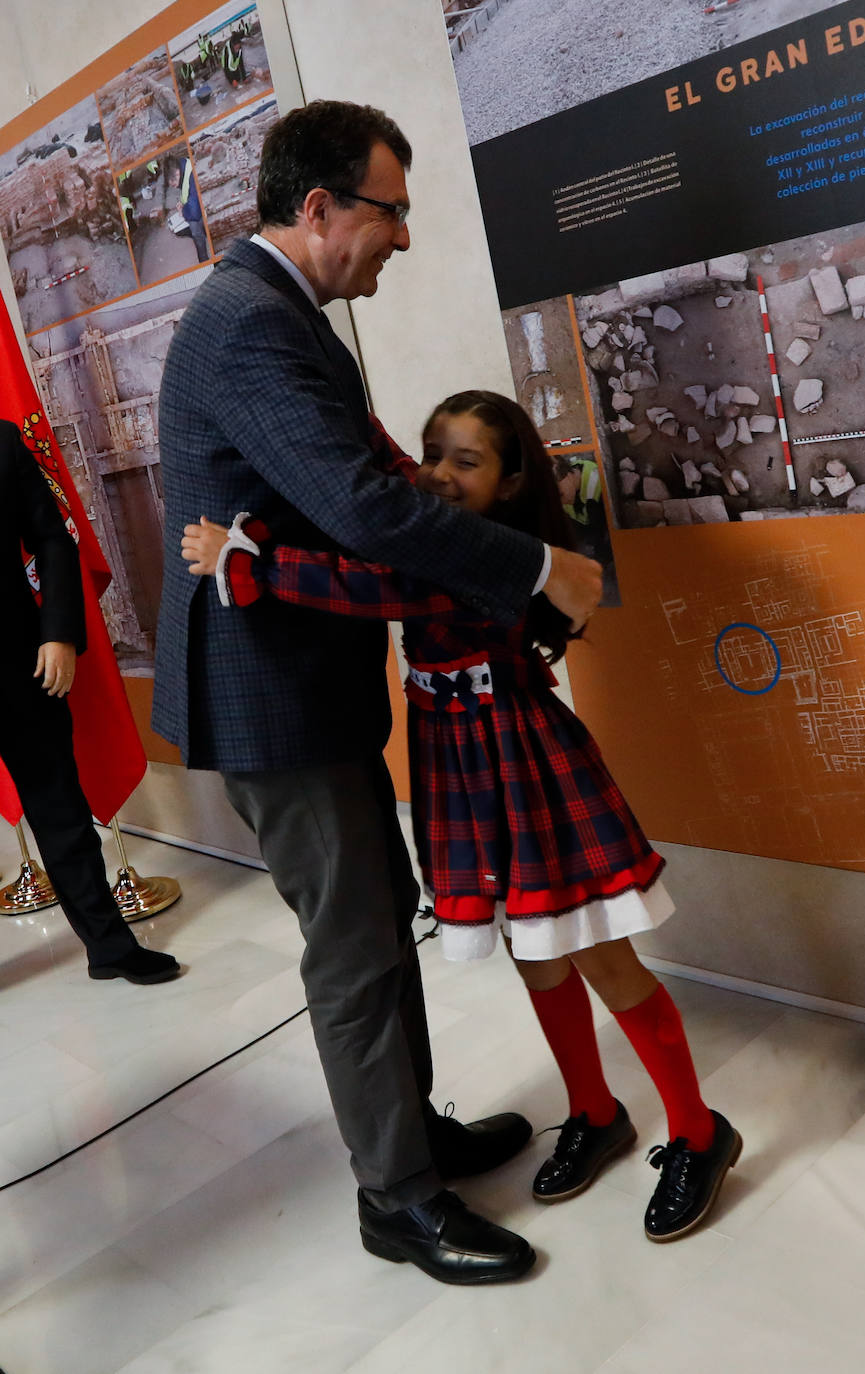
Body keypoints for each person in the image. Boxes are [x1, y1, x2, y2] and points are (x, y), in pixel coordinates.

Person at [152, 101, 602, 1284]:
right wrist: (538, 565)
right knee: (352, 943)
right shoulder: (251, 324)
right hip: (271, 694)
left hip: (313, 679)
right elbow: (362, 509)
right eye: (390, 210)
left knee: (378, 906)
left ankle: (415, 1133)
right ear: (320, 208)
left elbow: (372, 476)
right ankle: (396, 1198)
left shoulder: (290, 314)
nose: (401, 238)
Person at [183, 390, 742, 1243]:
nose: (437, 474)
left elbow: (374, 586)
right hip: (463, 771)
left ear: (512, 481)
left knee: (598, 952)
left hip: (526, 769)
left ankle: (700, 1134)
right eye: (430, 452)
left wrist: (248, 558)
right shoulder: (446, 525)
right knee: (536, 953)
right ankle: (595, 1110)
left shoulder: (484, 559)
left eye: (466, 461)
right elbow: (393, 507)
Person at [0, 419, 180, 985]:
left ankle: (109, 947)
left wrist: (58, 632)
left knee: (62, 813)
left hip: (16, 662)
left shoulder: (3, 441)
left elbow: (53, 535)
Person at [170, 156, 209, 264]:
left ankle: (204, 262)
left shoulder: (191, 175)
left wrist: (184, 211)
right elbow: (186, 191)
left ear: (177, 174)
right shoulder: (183, 168)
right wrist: (182, 202)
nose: (174, 187)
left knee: (196, 231)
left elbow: (194, 213)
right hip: (195, 206)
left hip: (197, 211)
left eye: (173, 184)